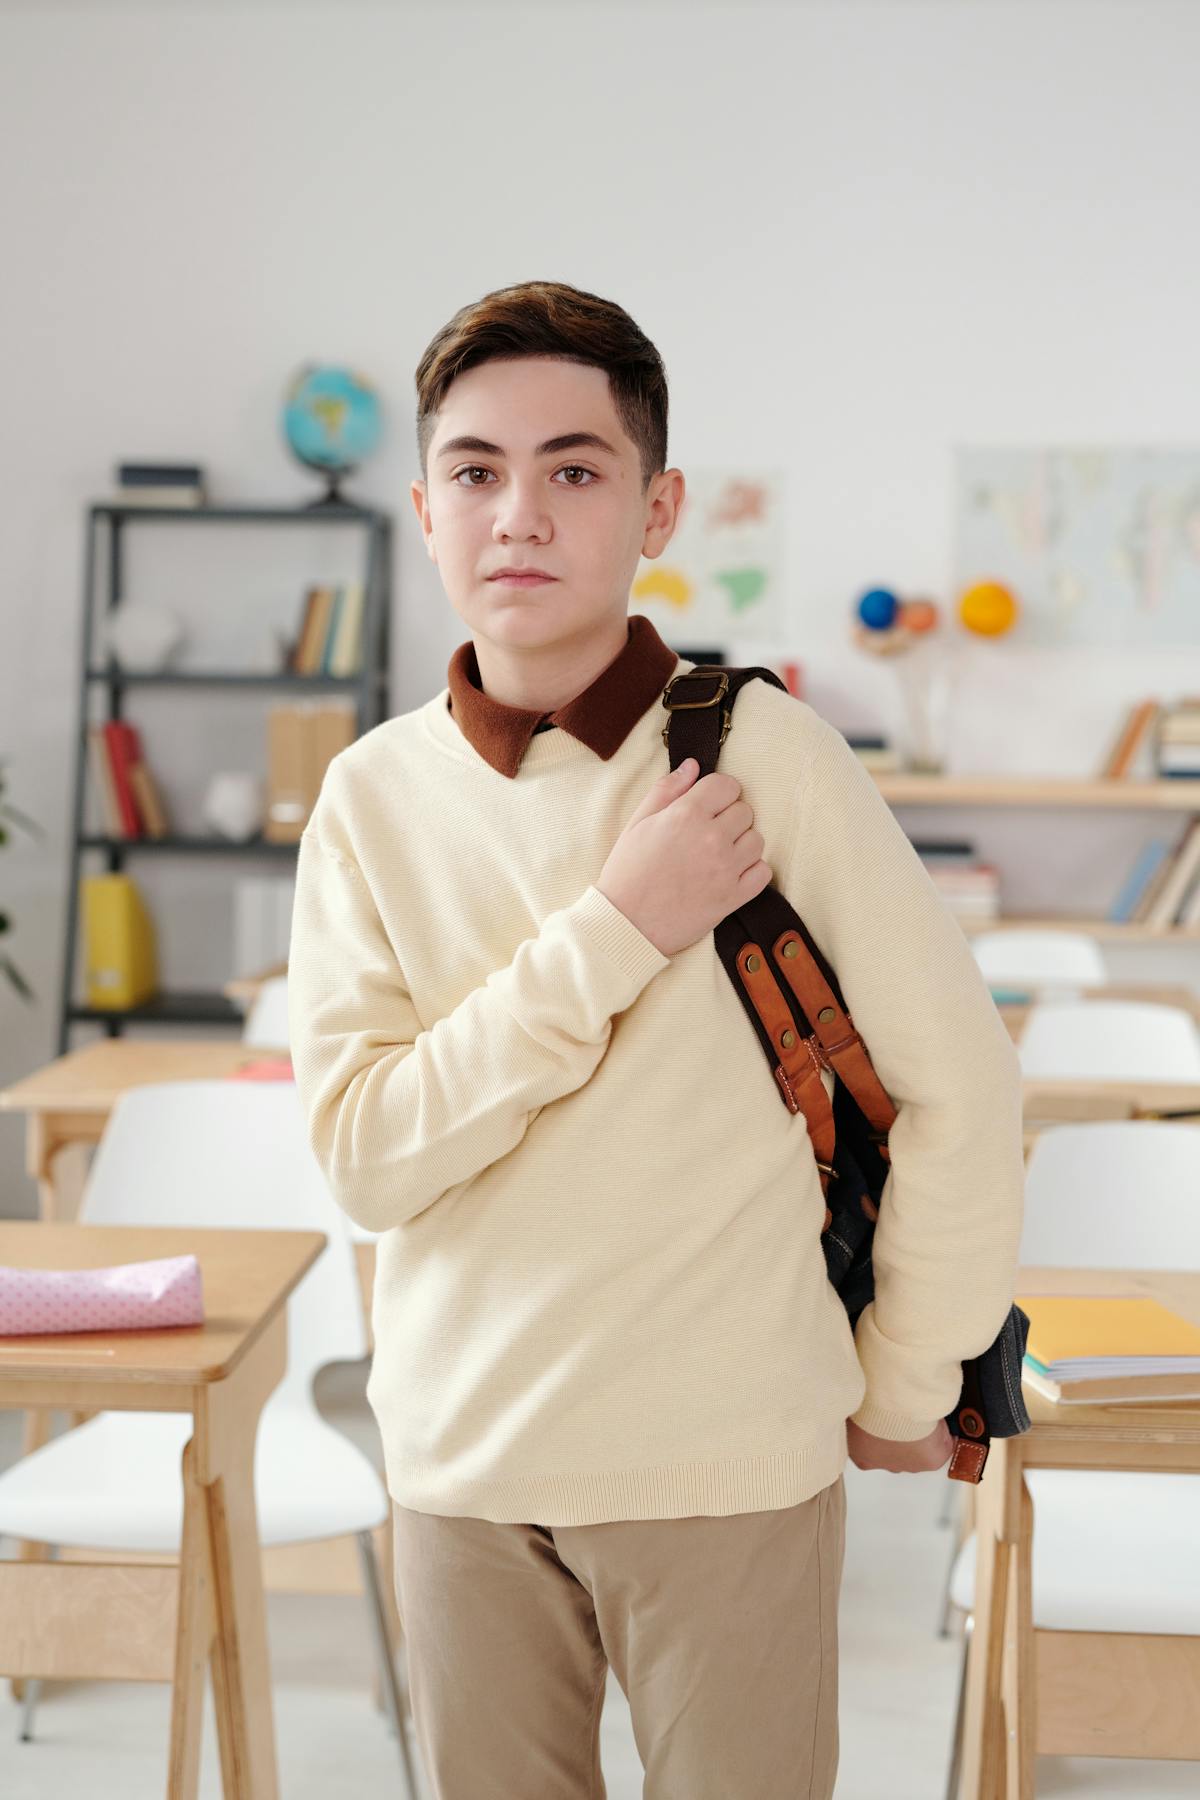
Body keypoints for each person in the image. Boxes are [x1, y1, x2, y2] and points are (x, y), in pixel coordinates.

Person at [286, 279, 1026, 1799]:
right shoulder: (368, 799)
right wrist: (619, 928)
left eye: (576, 470)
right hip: (462, 1475)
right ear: (427, 509)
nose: (521, 516)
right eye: (479, 474)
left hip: (727, 1463)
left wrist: (900, 1384)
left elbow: (966, 1089)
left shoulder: (768, 755)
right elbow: (365, 1160)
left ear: (658, 506)